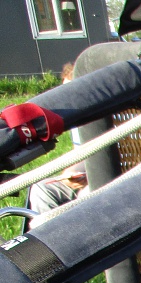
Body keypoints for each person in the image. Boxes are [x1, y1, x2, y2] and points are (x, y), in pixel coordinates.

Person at [25, 63, 88, 222]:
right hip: (86, 177)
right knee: (41, 189)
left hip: (113, 178)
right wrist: (69, 175)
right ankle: (47, 236)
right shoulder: (78, 119)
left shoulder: (114, 115)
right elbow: (80, 154)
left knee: (87, 196)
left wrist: (93, 175)